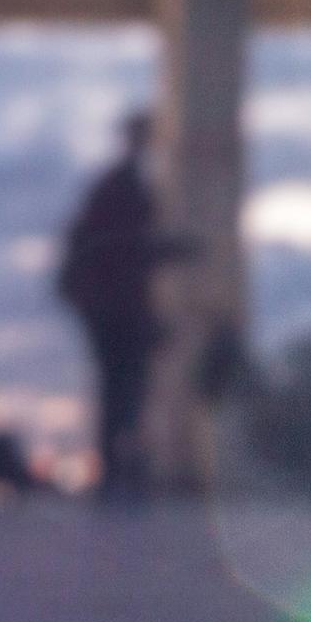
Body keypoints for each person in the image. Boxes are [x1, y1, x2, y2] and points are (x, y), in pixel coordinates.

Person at [57, 109, 184, 497]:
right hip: (117, 308)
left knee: (125, 389)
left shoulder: (123, 184)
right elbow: (121, 248)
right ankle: (117, 473)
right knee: (124, 389)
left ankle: (120, 471)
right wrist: (164, 251)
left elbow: (123, 248)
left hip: (117, 306)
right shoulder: (121, 186)